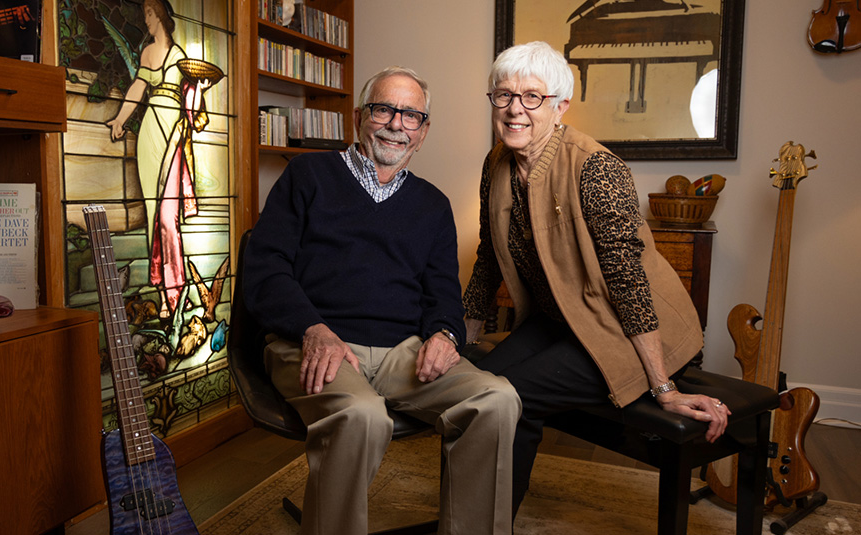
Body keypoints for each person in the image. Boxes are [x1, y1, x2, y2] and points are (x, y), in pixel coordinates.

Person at [243, 66, 521, 535]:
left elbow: (442, 293)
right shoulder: (307, 175)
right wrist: (314, 330)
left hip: (401, 353)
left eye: (411, 115)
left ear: (423, 132)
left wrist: (445, 334)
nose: (396, 124)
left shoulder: (433, 205)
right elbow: (265, 270)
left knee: (497, 399)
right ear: (359, 117)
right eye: (383, 110)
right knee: (362, 414)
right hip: (314, 342)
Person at [462, 41, 730, 517]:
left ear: (560, 106)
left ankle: (488, 524)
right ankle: (462, 513)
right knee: (472, 384)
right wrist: (462, 342)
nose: (514, 109)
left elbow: (628, 283)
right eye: (503, 95)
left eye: (532, 96)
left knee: (508, 397)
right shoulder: (496, 163)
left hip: (624, 328)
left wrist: (664, 388)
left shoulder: (597, 167)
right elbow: (488, 258)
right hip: (563, 321)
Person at [106, 0, 212, 321]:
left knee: (168, 218)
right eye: (145, 15)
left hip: (173, 136)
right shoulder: (148, 53)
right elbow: (137, 89)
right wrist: (120, 119)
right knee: (155, 212)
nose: (147, 20)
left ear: (162, 16)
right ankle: (167, 292)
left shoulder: (180, 56)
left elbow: (191, 108)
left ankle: (175, 291)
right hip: (150, 133)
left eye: (150, 15)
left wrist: (200, 89)